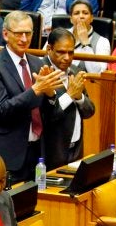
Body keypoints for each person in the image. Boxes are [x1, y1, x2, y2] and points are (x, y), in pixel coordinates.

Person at [0, 10, 63, 182]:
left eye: (28, 33)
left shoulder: (37, 62)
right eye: (18, 34)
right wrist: (36, 90)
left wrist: (50, 94)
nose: (24, 39)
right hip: (7, 155)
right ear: (5, 34)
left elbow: (52, 114)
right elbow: (2, 110)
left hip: (37, 153)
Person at [41, 28, 95, 170]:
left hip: (76, 149)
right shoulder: (41, 72)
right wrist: (70, 95)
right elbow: (47, 115)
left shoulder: (75, 71)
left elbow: (89, 112)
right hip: (50, 152)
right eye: (61, 52)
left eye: (71, 52)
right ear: (49, 49)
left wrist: (79, 97)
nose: (67, 57)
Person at [20, 0, 98, 36]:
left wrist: (61, 29)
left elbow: (90, 12)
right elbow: (24, 9)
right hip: (34, 34)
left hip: (66, 36)